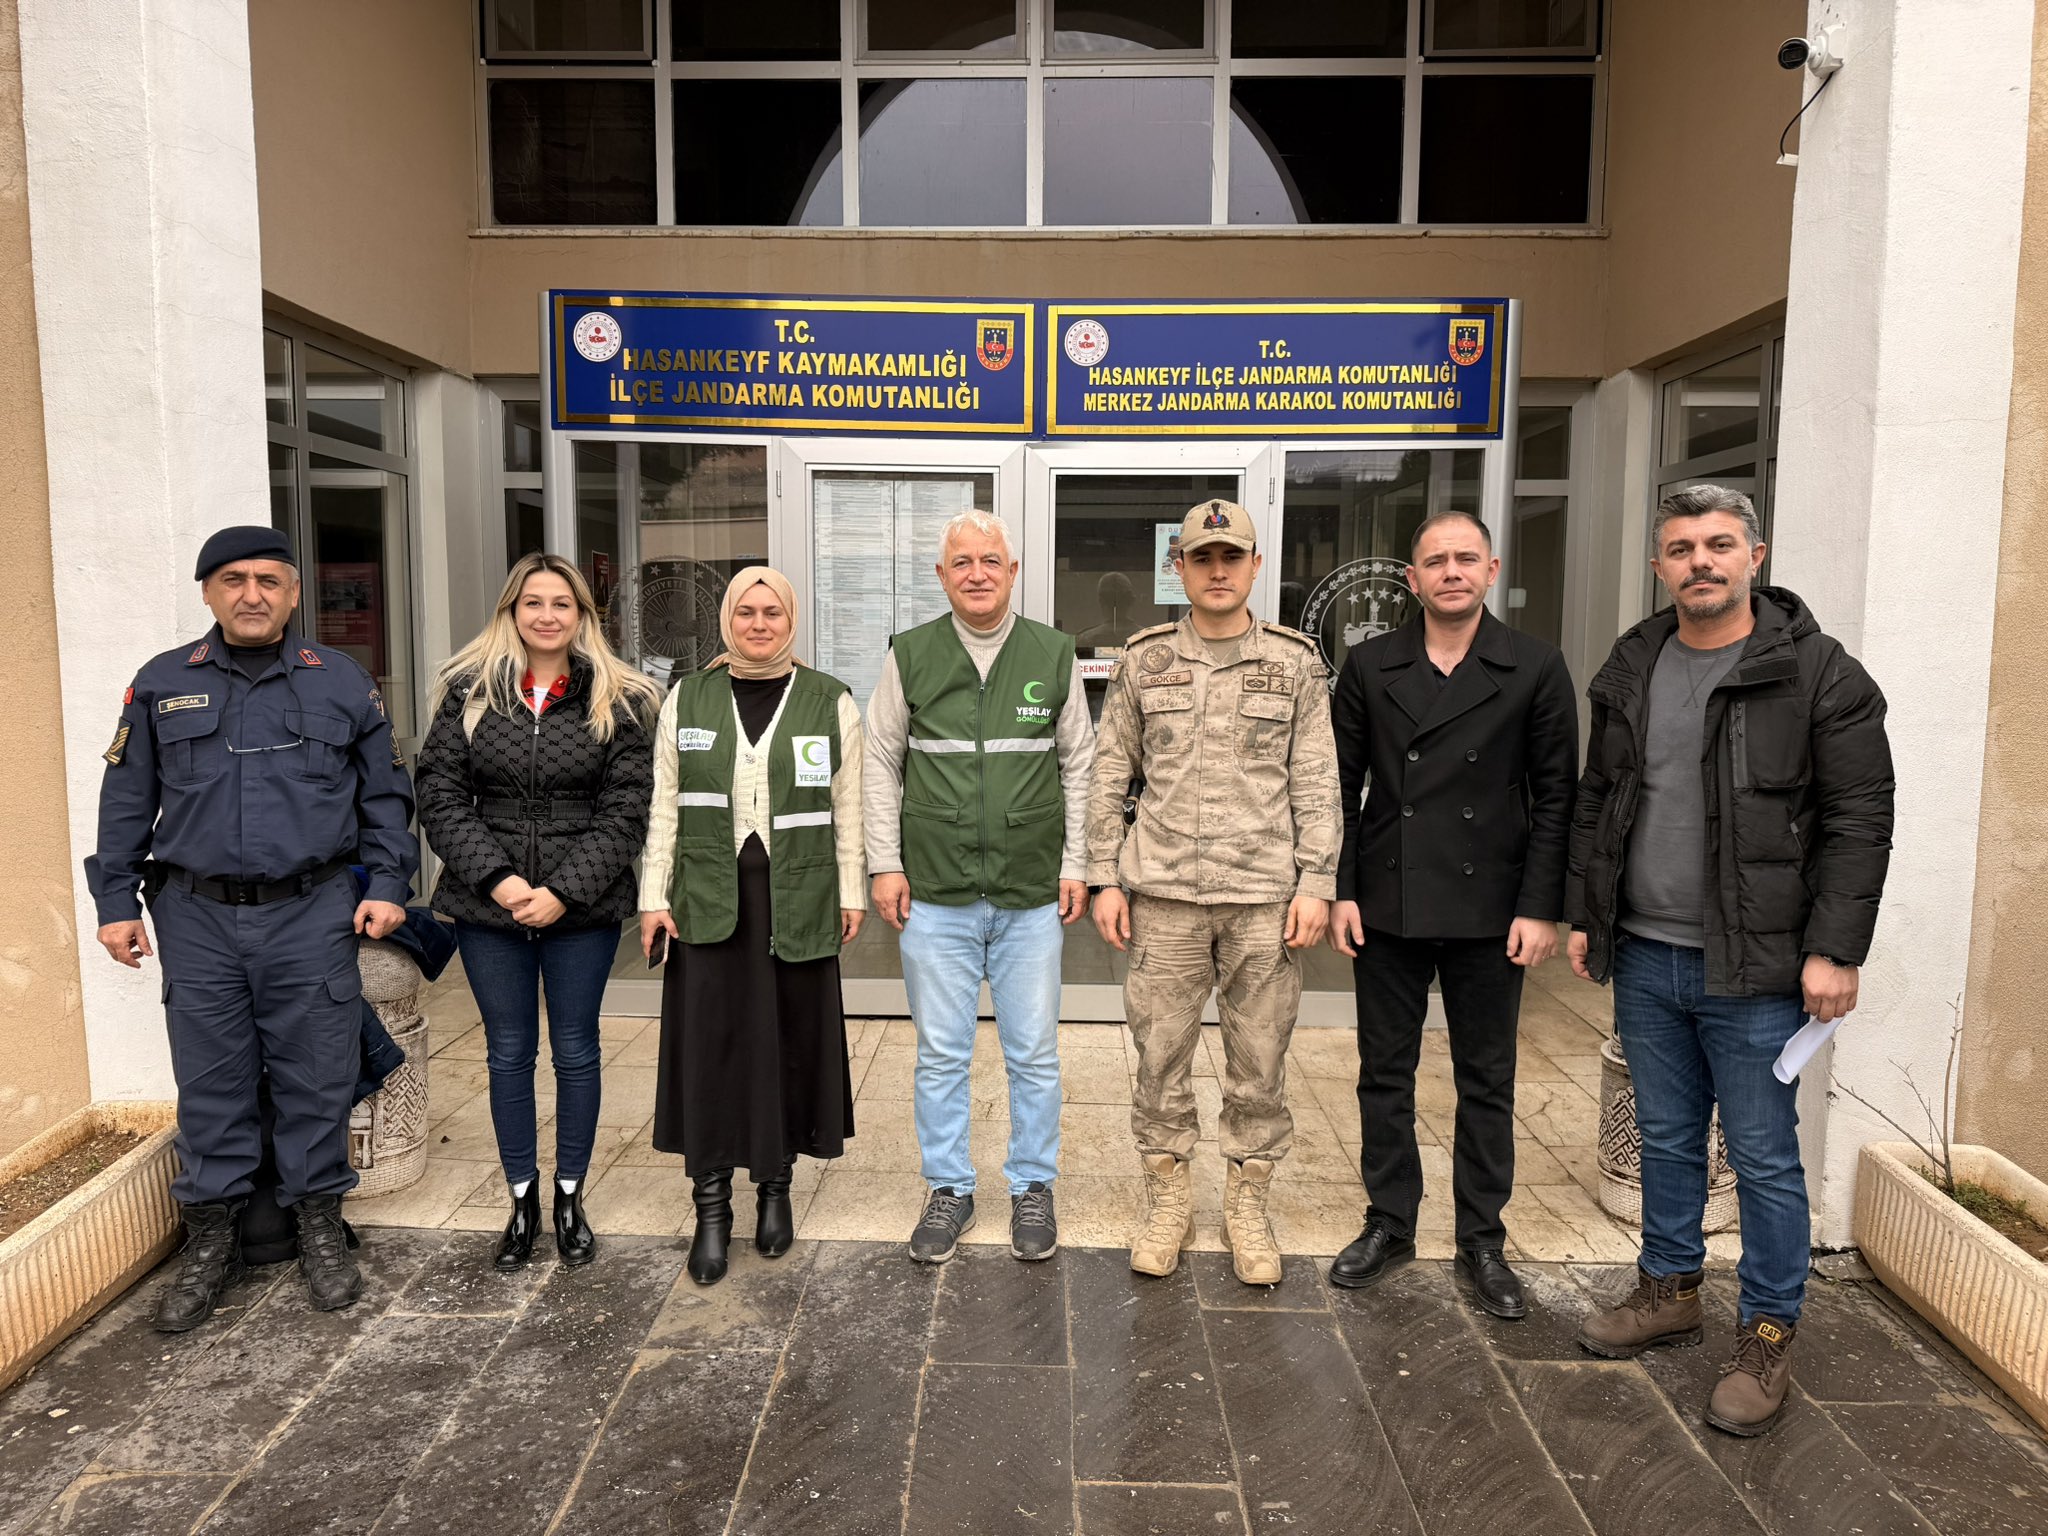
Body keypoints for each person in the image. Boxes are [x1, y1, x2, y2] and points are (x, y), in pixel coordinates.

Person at [1567, 485, 1894, 1436]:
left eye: (1718, 544)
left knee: (1760, 1154)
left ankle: (1767, 1333)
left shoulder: (1821, 675)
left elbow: (1858, 821)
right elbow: (1602, 800)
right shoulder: (1634, 663)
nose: (1699, 561)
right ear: (1660, 565)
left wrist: (1836, 949)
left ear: (1756, 554)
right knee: (1666, 1137)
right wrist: (1590, 914)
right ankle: (1669, 1290)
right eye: (1680, 547)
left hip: (1755, 968)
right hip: (1650, 955)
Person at [87, 525, 417, 1331]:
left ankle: (317, 1226)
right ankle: (209, 1239)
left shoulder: (341, 682)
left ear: (295, 594)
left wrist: (392, 886)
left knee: (316, 1074)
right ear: (207, 592)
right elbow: (126, 801)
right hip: (195, 915)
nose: (252, 594)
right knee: (212, 1082)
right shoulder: (163, 684)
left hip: (310, 910)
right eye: (233, 579)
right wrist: (114, 904)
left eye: (269, 580)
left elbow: (385, 799)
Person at [1324, 510, 1579, 1317]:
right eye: (1435, 561)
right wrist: (1342, 888)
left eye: (1465, 558)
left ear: (1491, 569)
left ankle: (1482, 1239)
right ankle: (1390, 1223)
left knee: (1487, 1079)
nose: (1451, 572)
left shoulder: (1534, 666)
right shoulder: (1369, 665)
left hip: (1491, 905)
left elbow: (1556, 797)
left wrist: (1543, 908)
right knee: (1384, 1075)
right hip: (1390, 898)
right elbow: (1339, 786)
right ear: (1413, 579)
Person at [1087, 498, 1341, 1287]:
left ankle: (1247, 1201)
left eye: (1233, 556)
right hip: (1162, 895)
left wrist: (1318, 880)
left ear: (1256, 566)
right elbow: (1108, 774)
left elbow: (1316, 779)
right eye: (1203, 557)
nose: (1219, 570)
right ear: (1181, 569)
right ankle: (1167, 1197)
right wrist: (1103, 875)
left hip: (1264, 899)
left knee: (1258, 1060)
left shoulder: (1295, 663)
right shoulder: (1145, 661)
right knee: (1159, 1057)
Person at [414, 553, 657, 1272]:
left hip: (581, 909)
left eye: (562, 604)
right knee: (508, 1052)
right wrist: (499, 881)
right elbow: (440, 794)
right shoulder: (468, 693)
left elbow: (627, 809)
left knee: (577, 1051)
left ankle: (569, 1197)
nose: (547, 615)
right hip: (489, 908)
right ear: (510, 612)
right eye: (533, 603)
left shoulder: (623, 697)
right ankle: (521, 1199)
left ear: (583, 616)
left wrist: (561, 891)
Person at [865, 509, 1095, 1264]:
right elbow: (879, 762)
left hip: (1029, 895)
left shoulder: (1052, 654)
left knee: (1032, 1053)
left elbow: (1081, 767)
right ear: (942, 576)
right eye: (961, 562)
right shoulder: (912, 655)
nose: (976, 573)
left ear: (1013, 570)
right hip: (935, 891)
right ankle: (950, 1190)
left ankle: (1033, 1184)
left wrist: (1076, 865)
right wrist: (884, 862)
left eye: (990, 560)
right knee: (940, 1053)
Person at [639, 567, 866, 1286]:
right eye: (746, 612)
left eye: (772, 612)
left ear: (790, 620)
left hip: (797, 897)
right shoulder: (689, 697)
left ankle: (775, 1188)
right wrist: (652, 896)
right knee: (709, 1049)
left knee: (786, 1046)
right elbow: (664, 805)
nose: (759, 624)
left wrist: (852, 891)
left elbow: (849, 807)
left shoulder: (831, 700)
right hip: (706, 897)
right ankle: (711, 1206)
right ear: (727, 621)